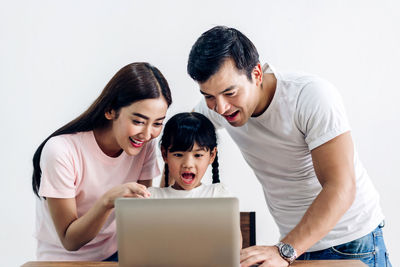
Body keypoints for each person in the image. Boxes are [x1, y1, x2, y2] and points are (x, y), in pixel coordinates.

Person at [187, 26, 392, 267]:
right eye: (208, 96)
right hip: (293, 246)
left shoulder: (310, 96)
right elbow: (178, 143)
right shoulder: (218, 105)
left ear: (256, 74)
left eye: (230, 93)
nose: (220, 108)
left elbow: (341, 187)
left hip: (350, 243)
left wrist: (285, 251)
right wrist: (162, 199)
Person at [32, 62, 172, 261]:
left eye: (158, 123)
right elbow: (69, 241)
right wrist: (107, 202)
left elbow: (139, 215)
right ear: (110, 111)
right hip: (63, 260)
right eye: (139, 121)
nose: (148, 134)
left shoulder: (145, 145)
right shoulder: (61, 151)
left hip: (118, 253)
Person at [149, 112, 231, 198]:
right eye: (178, 155)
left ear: (212, 155)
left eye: (198, 155)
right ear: (165, 154)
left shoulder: (218, 194)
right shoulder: (153, 196)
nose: (188, 164)